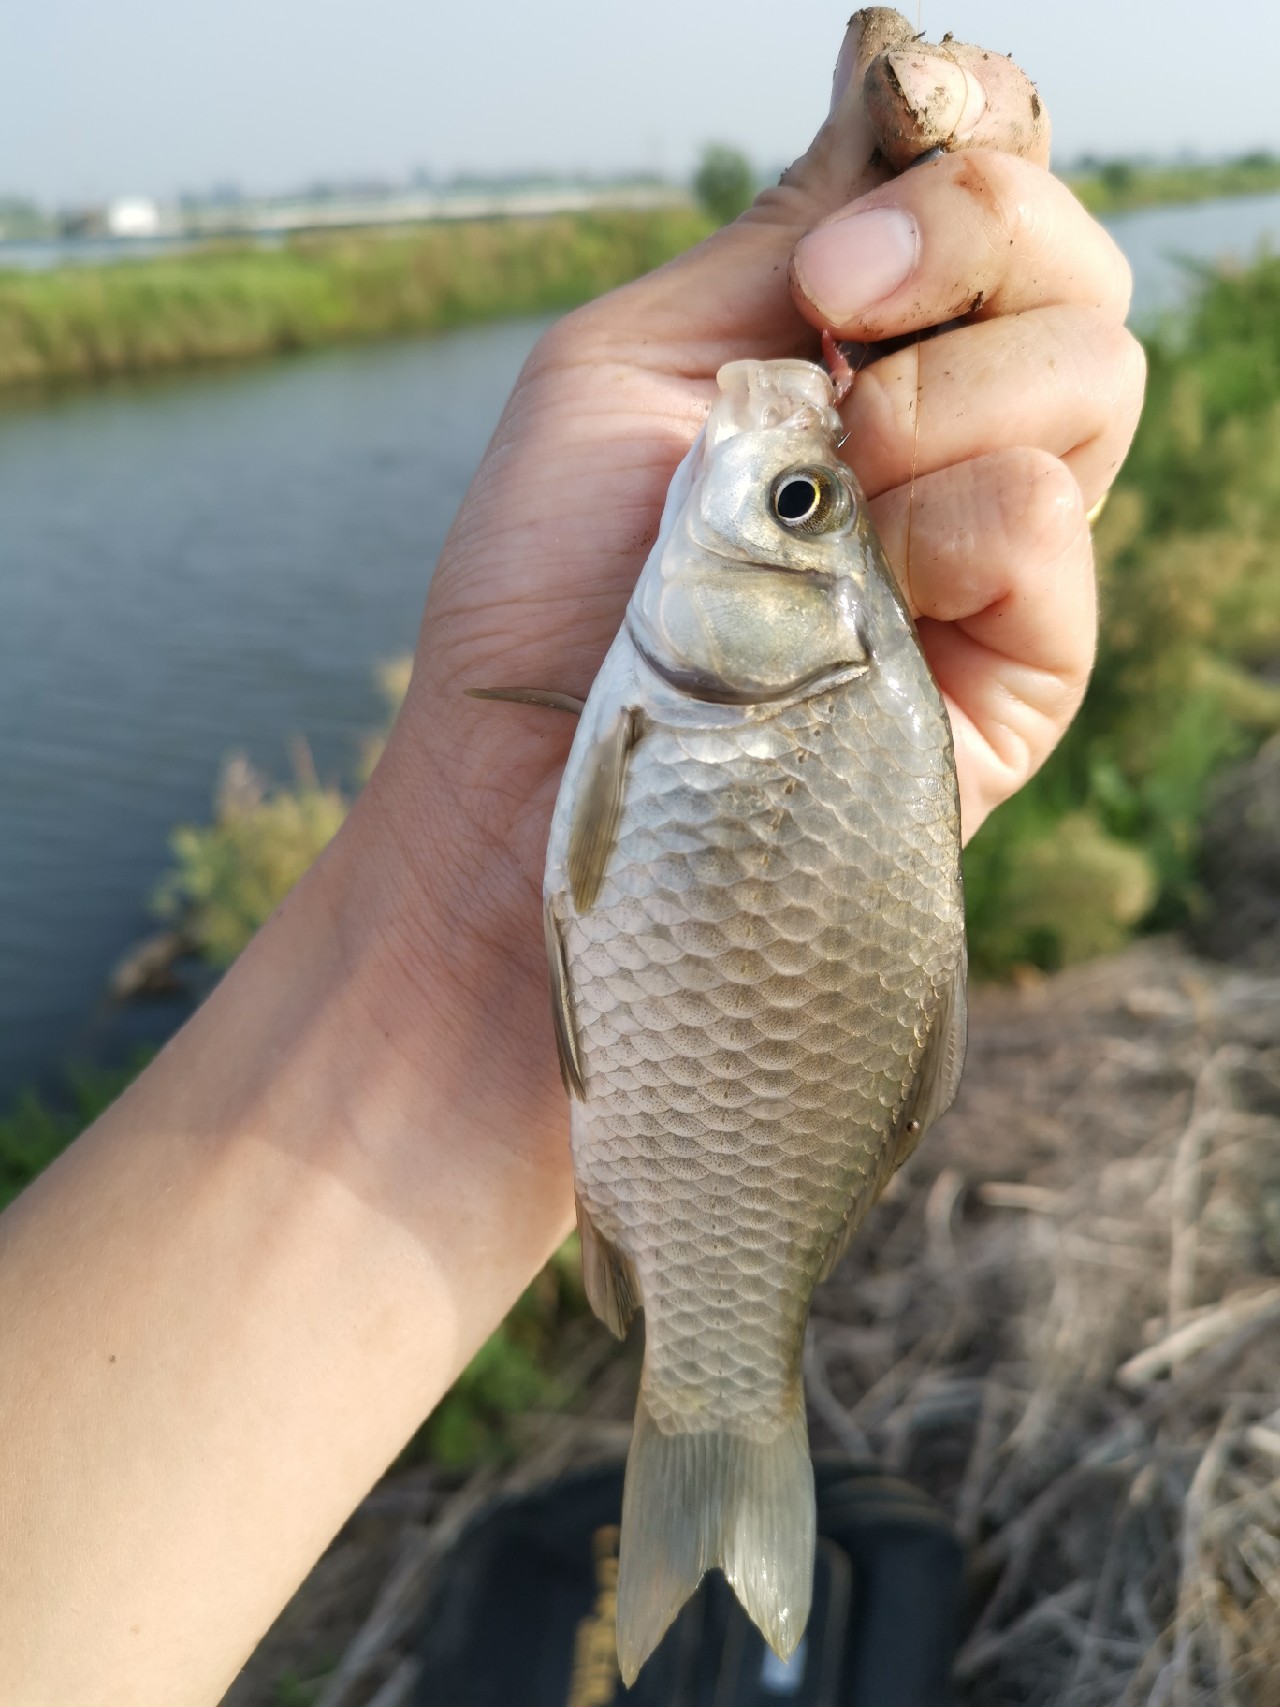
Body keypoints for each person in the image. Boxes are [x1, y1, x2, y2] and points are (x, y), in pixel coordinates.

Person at [0, 12, 1144, 1703]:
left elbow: (595, 859)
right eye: (803, 508)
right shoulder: (692, 646)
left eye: (794, 513)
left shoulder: (759, 677)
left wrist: (450, 960)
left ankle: (718, 1398)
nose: (769, 478)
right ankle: (721, 1402)